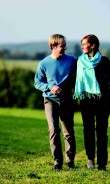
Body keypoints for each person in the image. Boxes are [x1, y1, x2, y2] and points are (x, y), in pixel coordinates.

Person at [74, 34, 110, 171]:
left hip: (102, 100)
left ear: (92, 45)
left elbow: (109, 78)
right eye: (81, 44)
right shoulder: (80, 61)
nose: (82, 46)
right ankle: (90, 159)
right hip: (86, 99)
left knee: (101, 131)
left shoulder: (104, 61)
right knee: (88, 130)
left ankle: (102, 163)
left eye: (84, 44)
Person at [34, 34, 77, 170]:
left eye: (65, 45)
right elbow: (37, 82)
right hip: (50, 100)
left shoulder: (72, 60)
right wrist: (49, 87)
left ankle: (70, 161)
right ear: (53, 46)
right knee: (53, 130)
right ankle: (57, 162)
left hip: (67, 100)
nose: (65, 47)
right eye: (62, 45)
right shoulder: (44, 63)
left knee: (68, 131)